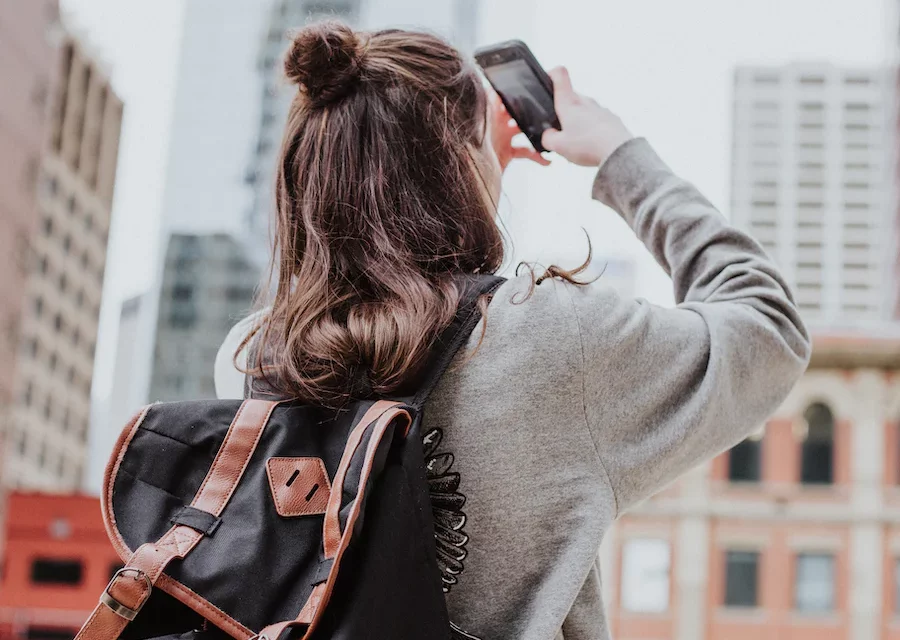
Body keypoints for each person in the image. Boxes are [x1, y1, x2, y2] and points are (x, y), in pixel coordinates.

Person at [214, 21, 810, 640]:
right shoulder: (554, 340)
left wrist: (471, 160)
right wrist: (617, 154)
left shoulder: (254, 357)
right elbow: (767, 327)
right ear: (460, 161)